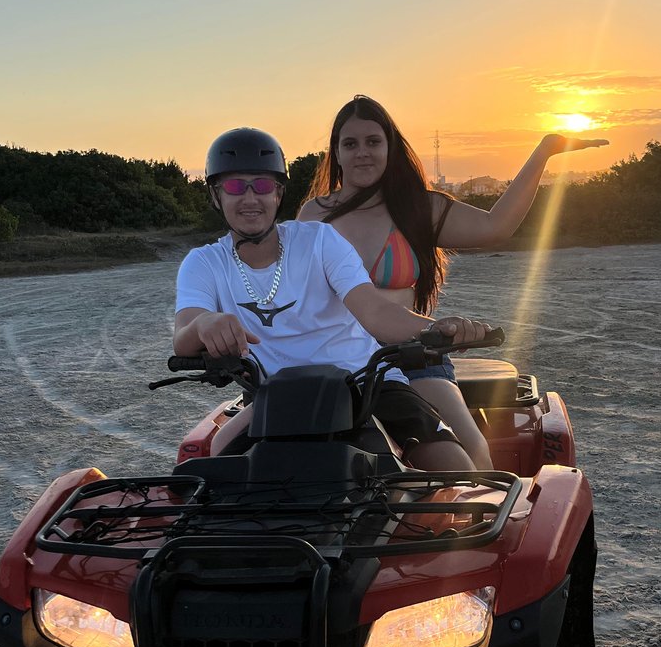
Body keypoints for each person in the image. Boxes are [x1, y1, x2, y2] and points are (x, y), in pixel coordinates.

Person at [298, 95, 609, 468]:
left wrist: (544, 151)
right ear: (336, 153)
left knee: (472, 453)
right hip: (336, 358)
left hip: (410, 353)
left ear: (390, 148)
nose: (362, 152)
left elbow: (496, 226)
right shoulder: (315, 215)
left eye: (373, 141)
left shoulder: (419, 208)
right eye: (350, 144)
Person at [173, 127, 492, 470]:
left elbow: (375, 311)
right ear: (216, 194)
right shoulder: (204, 263)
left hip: (366, 385)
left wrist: (435, 328)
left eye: (262, 185)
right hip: (274, 398)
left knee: (454, 468)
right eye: (236, 186)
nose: (250, 198)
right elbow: (184, 336)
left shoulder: (320, 241)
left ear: (279, 193)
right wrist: (206, 324)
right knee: (216, 475)